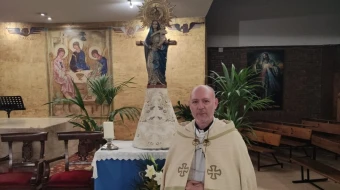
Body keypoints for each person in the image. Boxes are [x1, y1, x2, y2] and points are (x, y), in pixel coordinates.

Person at [161, 85, 257, 190]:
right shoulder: (181, 136)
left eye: (206, 101)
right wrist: (184, 186)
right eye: (195, 102)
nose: (200, 107)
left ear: (215, 103)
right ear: (190, 105)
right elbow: (171, 174)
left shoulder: (231, 137)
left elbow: (242, 177)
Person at [143, 20, 168, 86]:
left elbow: (165, 42)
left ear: (158, 25)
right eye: (153, 24)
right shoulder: (149, 34)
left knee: (157, 66)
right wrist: (150, 47)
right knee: (150, 66)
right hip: (151, 52)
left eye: (156, 24)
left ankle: (158, 80)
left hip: (158, 52)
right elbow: (146, 43)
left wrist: (161, 45)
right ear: (151, 25)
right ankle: (152, 80)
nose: (155, 26)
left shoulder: (161, 33)